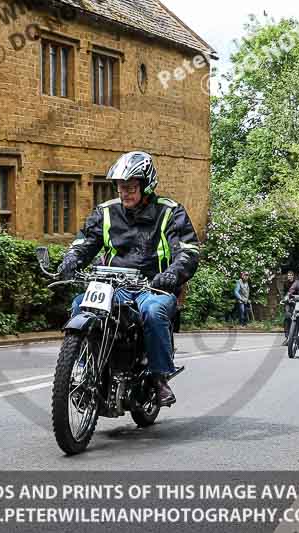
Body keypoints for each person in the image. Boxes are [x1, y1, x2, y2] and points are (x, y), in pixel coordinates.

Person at [57, 151, 200, 407]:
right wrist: (71, 259)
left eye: (131, 188)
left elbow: (188, 252)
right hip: (113, 285)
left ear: (147, 186)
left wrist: (171, 274)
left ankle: (159, 378)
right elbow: (85, 242)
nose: (125, 193)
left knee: (153, 312)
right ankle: (80, 369)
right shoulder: (106, 212)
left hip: (152, 286)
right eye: (121, 188)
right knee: (82, 304)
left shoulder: (170, 212)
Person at [280, 271, 296, 345]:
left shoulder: (296, 283)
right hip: (288, 302)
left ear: (293, 276)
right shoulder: (285, 283)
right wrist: (284, 299)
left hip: (296, 302)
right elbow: (284, 292)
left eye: (291, 275)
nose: (289, 276)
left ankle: (295, 336)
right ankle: (287, 337)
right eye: (288, 275)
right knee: (287, 317)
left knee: (296, 318)